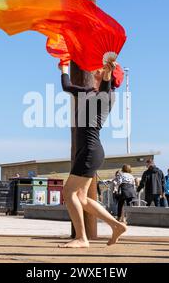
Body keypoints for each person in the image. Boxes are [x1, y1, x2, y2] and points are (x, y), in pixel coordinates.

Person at [59, 61, 127, 248]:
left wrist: (108, 71)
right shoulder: (88, 92)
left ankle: (81, 238)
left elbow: (105, 86)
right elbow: (67, 86)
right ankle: (116, 226)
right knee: (80, 197)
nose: (97, 67)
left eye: (103, 68)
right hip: (87, 150)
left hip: (91, 150)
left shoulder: (108, 97)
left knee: (68, 191)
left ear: (109, 75)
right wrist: (64, 67)